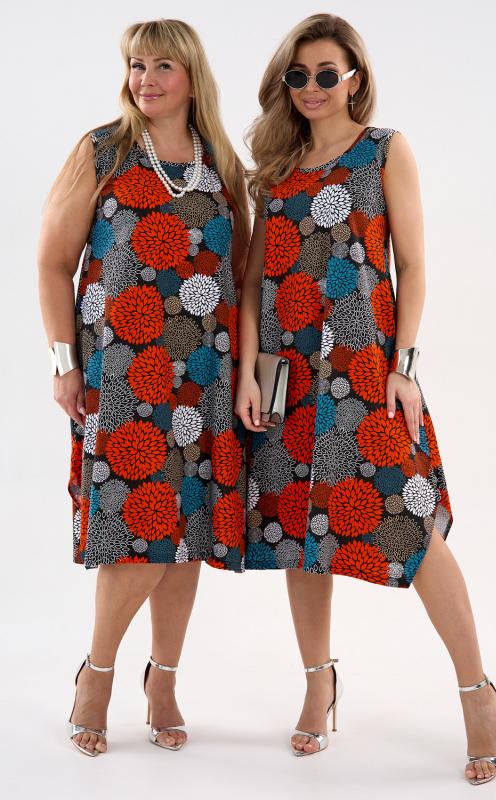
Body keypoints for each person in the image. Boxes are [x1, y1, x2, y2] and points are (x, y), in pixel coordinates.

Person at [235, 13, 496, 785]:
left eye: (326, 73)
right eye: (298, 75)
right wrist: (249, 370)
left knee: (409, 522)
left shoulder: (384, 150)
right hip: (286, 376)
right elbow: (251, 283)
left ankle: (476, 692)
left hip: (362, 367)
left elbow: (411, 265)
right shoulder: (273, 168)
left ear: (353, 77)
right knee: (298, 526)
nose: (312, 87)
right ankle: (318, 686)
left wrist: (404, 367)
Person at [37, 18, 249, 756]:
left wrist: (246, 373)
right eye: (136, 64)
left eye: (162, 65)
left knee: (185, 534)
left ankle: (163, 681)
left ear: (192, 75)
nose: (146, 79)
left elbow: (239, 275)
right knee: (134, 534)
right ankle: (96, 675)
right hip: (122, 376)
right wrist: (63, 362)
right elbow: (51, 262)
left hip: (205, 378)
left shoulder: (221, 161)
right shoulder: (103, 150)